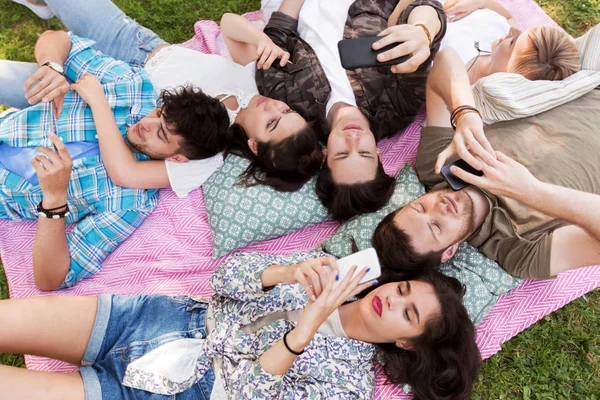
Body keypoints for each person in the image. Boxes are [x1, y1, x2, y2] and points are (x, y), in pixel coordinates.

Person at [0, 252, 481, 400]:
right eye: (401, 290)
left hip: (179, 390)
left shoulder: (349, 386)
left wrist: (305, 329)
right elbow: (224, 277)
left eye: (408, 313)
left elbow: (250, 394)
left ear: (406, 341)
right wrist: (289, 274)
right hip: (165, 317)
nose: (391, 301)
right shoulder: (329, 272)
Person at [4, 0, 322, 193]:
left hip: (99, 96)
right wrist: (260, 39)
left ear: (254, 145)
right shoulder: (255, 84)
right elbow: (228, 24)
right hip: (134, 46)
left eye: (272, 123)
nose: (274, 108)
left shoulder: (206, 153)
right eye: (285, 111)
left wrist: (98, 102)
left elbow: (126, 173)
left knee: (16, 79)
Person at [0, 31, 229, 291]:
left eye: (161, 134)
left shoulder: (129, 203)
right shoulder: (131, 87)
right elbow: (58, 39)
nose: (146, 124)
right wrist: (52, 66)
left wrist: (54, 200)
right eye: (159, 113)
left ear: (178, 158)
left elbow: (51, 278)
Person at [372, 47, 600, 279]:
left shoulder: (437, 165)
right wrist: (530, 192)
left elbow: (446, 59)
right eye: (436, 227)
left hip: (590, 80)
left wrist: (464, 113)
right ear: (449, 251)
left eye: (420, 207)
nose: (438, 208)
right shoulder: (519, 253)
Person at [224, 0, 447, 220]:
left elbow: (277, 34)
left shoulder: (291, 107)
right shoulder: (399, 107)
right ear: (378, 154)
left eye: (342, 154)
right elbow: (424, 7)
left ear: (324, 156)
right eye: (365, 152)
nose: (353, 139)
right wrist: (422, 31)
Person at [407, 0, 581, 84]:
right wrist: (480, 3)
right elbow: (509, 16)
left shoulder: (459, 75)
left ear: (510, 72)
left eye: (513, 42)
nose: (514, 30)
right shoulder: (503, 39)